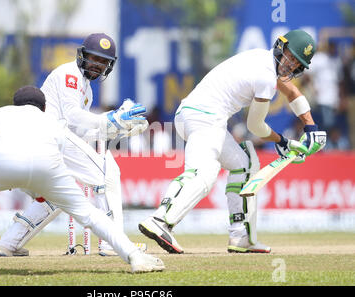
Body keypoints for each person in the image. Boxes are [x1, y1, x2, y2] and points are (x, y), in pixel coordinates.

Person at [0, 86, 164, 277]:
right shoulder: (53, 121)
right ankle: (134, 256)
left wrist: (19, 183)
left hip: (0, 161)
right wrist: (40, 188)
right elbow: (53, 155)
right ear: (43, 108)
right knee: (89, 214)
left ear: (15, 105)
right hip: (49, 168)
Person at [138, 29, 327, 254]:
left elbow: (292, 91)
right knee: (203, 174)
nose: (291, 64)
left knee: (244, 165)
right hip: (203, 117)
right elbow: (254, 126)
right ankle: (160, 220)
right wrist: (283, 141)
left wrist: (311, 127)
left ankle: (241, 237)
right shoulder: (266, 75)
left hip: (198, 116)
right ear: (281, 47)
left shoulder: (262, 59)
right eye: (290, 56)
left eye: (297, 63)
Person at [0, 33, 148, 257]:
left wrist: (120, 128)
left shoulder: (87, 89)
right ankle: (112, 243)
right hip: (50, 137)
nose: (97, 66)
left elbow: (81, 132)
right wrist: (111, 118)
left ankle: (9, 243)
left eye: (104, 62)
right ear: (82, 55)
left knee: (57, 196)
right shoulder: (70, 75)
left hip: (50, 141)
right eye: (94, 59)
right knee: (107, 173)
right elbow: (73, 117)